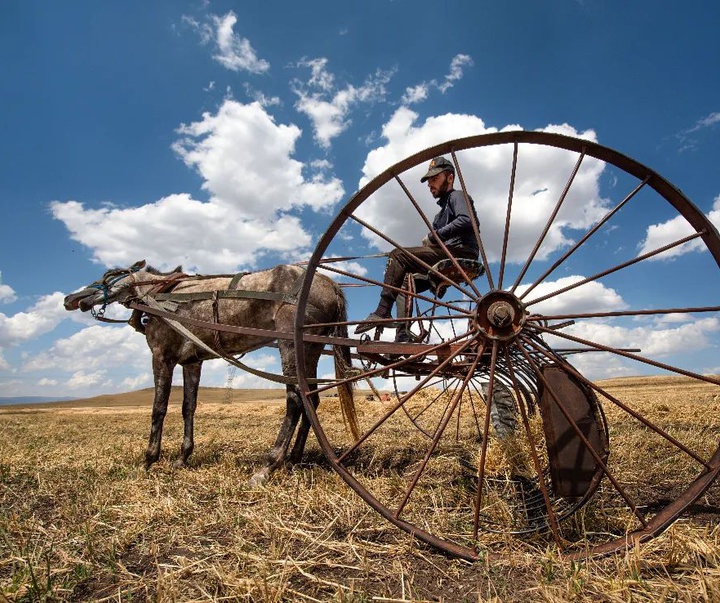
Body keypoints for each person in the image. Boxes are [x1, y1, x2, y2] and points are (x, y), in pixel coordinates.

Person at [355, 156, 480, 337]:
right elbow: (437, 241)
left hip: (462, 253)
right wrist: (433, 241)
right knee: (403, 282)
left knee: (398, 255)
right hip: (446, 256)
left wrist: (433, 237)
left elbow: (467, 220)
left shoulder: (457, 196)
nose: (431, 185)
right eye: (429, 182)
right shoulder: (438, 217)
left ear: (450, 177)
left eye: (435, 179)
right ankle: (402, 333)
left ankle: (382, 311)